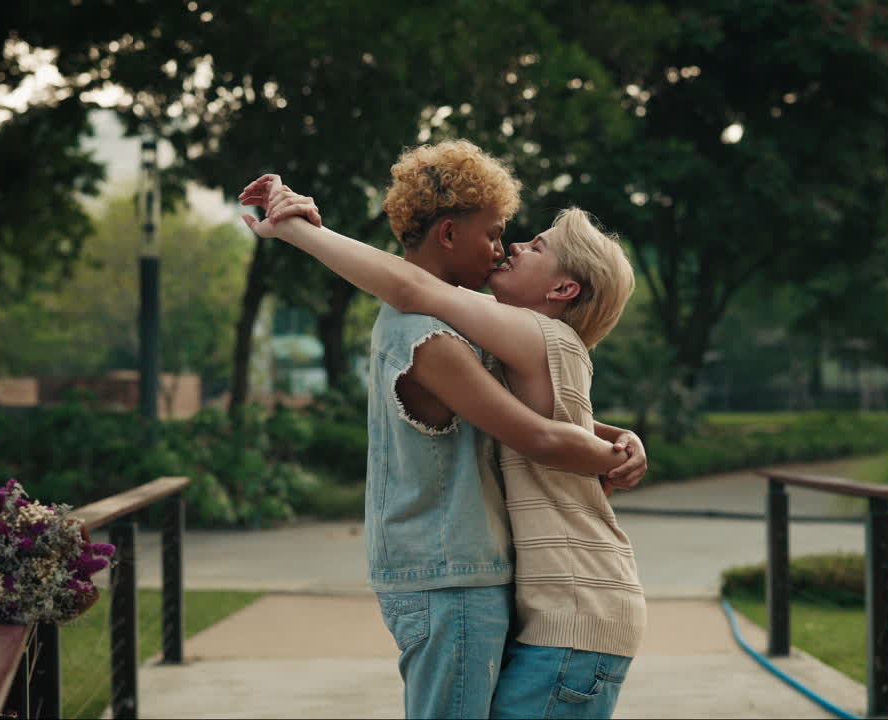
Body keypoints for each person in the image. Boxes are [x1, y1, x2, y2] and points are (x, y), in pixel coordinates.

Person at [240, 149, 646, 719]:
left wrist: (613, 439)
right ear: (451, 232)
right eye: (499, 234)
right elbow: (542, 433)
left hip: (547, 597)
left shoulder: (506, 330)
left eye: (530, 244)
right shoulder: (432, 333)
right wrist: (303, 232)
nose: (508, 248)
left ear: (563, 291)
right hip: (455, 575)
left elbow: (542, 419)